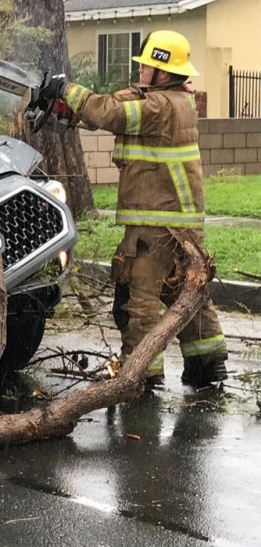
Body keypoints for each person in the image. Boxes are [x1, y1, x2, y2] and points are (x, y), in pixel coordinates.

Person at [44, 29, 229, 390]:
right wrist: (72, 111)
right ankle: (207, 364)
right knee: (184, 293)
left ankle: (141, 376)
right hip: (179, 222)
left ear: (162, 72)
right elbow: (120, 107)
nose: (141, 70)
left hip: (154, 221)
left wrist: (67, 91)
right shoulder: (176, 101)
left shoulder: (159, 107)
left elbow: (113, 113)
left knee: (137, 299)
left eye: (146, 66)